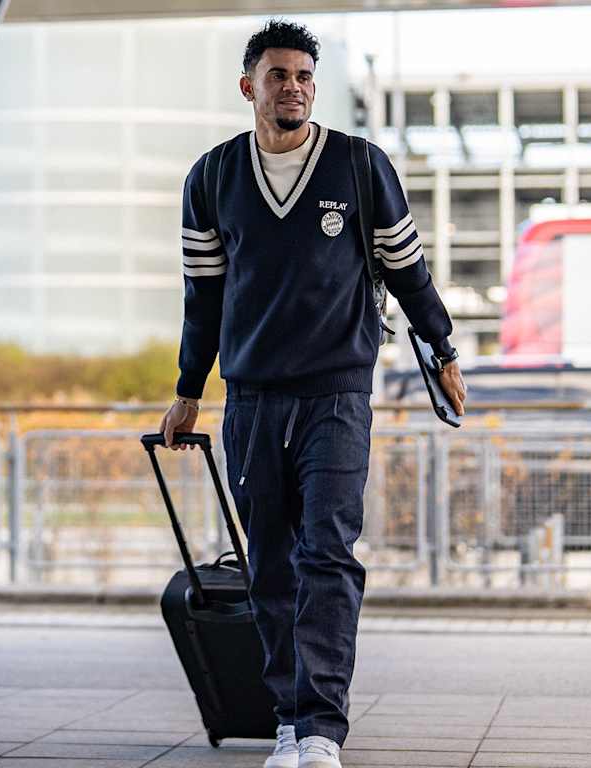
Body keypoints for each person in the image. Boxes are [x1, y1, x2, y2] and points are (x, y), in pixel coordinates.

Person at [159, 20, 467, 768]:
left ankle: (322, 730)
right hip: (253, 398)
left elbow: (407, 268)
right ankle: (291, 723)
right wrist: (187, 391)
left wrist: (445, 346)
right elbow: (202, 299)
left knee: (326, 554)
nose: (292, 87)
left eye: (302, 76)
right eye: (277, 76)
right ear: (249, 88)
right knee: (269, 563)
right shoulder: (212, 177)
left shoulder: (360, 166)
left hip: (338, 393)